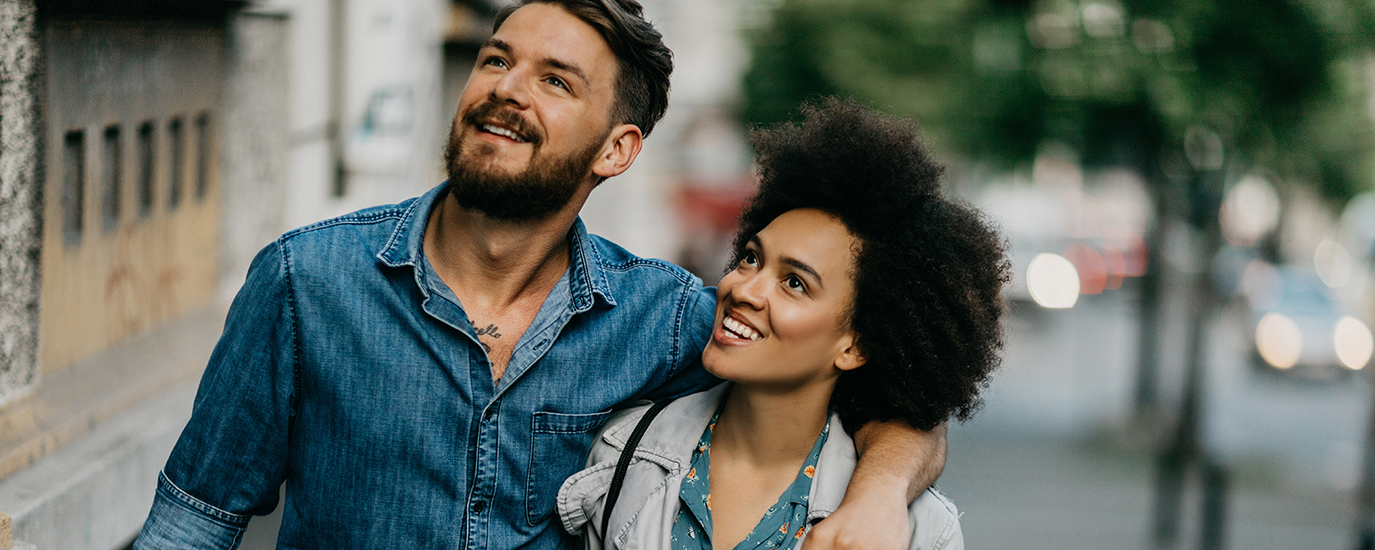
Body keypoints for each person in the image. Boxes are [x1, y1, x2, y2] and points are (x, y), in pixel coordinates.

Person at [133, 2, 947, 549]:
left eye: (555, 81)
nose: (505, 91)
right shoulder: (305, 282)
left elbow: (897, 404)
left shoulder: (661, 318)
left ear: (616, 149)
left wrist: (878, 494)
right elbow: (194, 519)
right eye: (495, 61)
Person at [557, 98, 1010, 550]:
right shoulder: (621, 456)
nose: (742, 288)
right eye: (751, 258)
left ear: (856, 344)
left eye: (794, 283)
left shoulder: (916, 531)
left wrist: (881, 495)